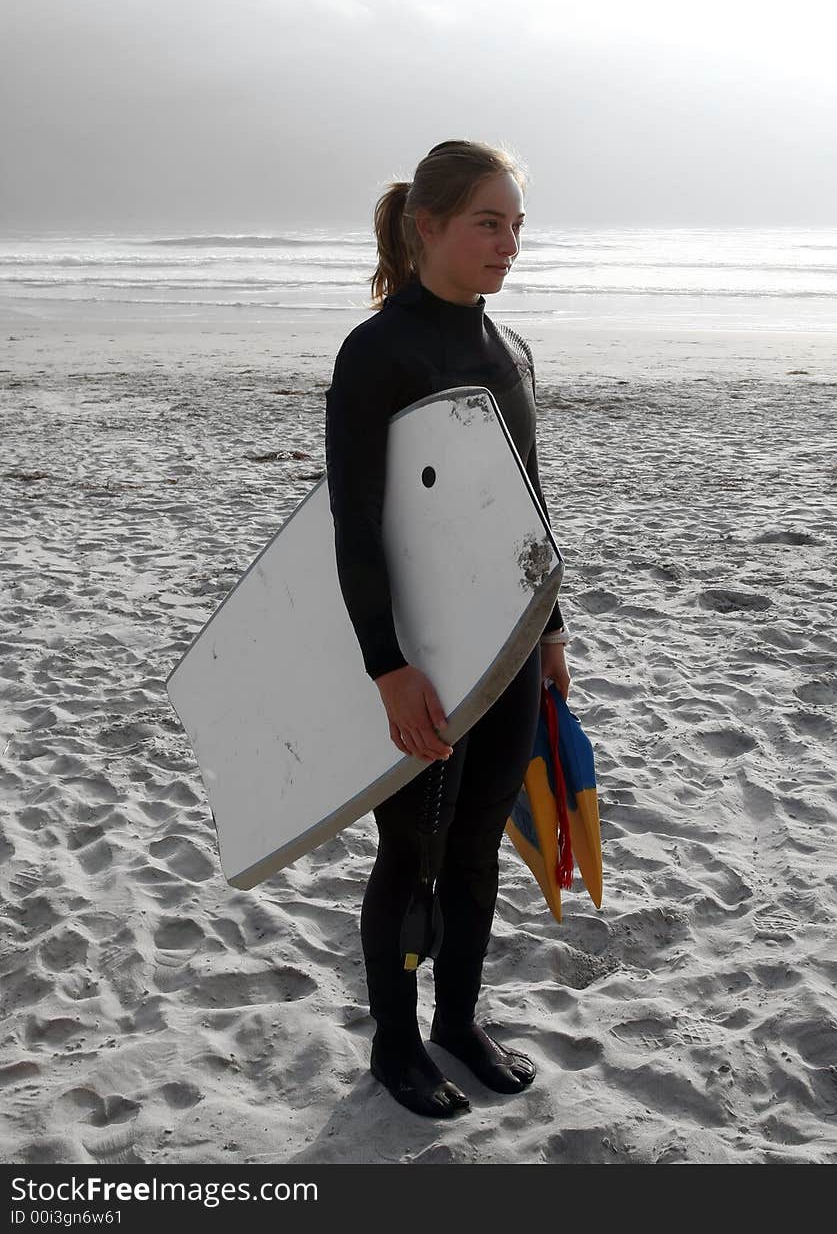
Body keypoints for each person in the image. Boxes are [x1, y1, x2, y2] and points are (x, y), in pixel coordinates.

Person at [324, 139, 571, 1119]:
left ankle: (457, 1021)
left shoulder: (507, 351)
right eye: (487, 222)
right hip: (419, 649)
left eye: (517, 225)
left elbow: (529, 510)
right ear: (425, 226)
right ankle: (394, 1043)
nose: (508, 243)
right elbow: (355, 522)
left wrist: (550, 627)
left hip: (503, 646)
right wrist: (386, 666)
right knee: (410, 849)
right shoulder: (377, 352)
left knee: (474, 846)